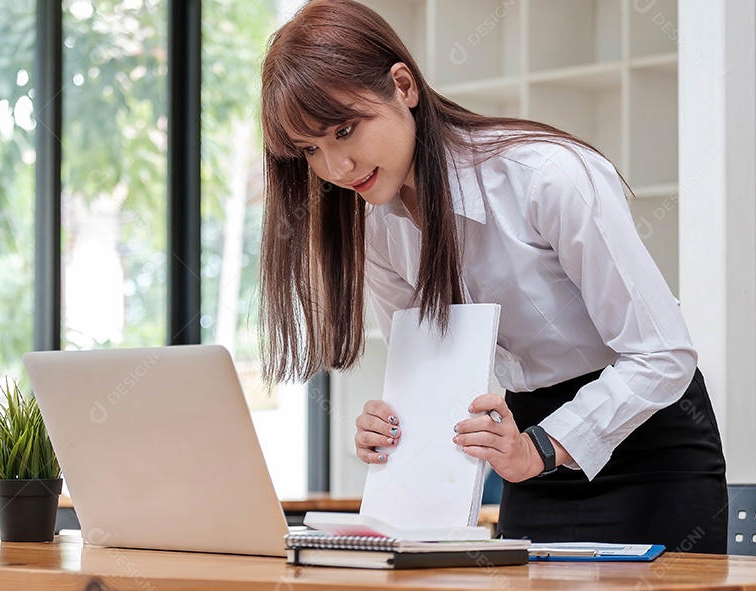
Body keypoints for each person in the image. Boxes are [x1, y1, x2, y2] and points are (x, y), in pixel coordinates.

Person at [257, 0, 727, 553]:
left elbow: (663, 355)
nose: (336, 169)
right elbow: (434, 387)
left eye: (345, 129)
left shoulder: (547, 178)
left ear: (402, 86)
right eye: (311, 149)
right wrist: (393, 431)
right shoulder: (377, 230)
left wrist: (545, 447)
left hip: (647, 450)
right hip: (524, 452)